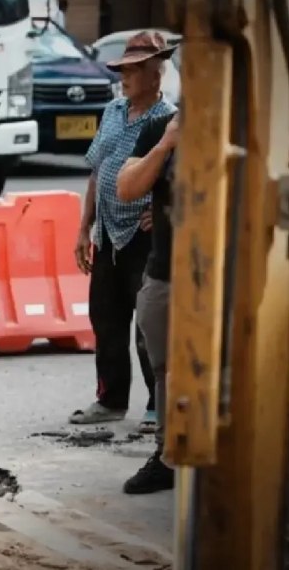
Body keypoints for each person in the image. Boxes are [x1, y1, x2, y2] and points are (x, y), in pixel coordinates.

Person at [70, 30, 177, 431]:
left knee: (148, 324)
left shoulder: (168, 120)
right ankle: (111, 399)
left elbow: (173, 178)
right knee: (105, 317)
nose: (125, 77)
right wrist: (85, 227)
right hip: (108, 232)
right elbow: (98, 170)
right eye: (123, 70)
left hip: (143, 234)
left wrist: (158, 209)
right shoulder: (113, 111)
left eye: (135, 70)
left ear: (156, 76)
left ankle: (155, 405)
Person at [116, 108, 179, 494]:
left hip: (225, 276)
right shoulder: (164, 126)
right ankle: (168, 456)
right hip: (165, 272)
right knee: (165, 370)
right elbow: (127, 186)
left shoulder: (250, 118)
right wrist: (166, 145)